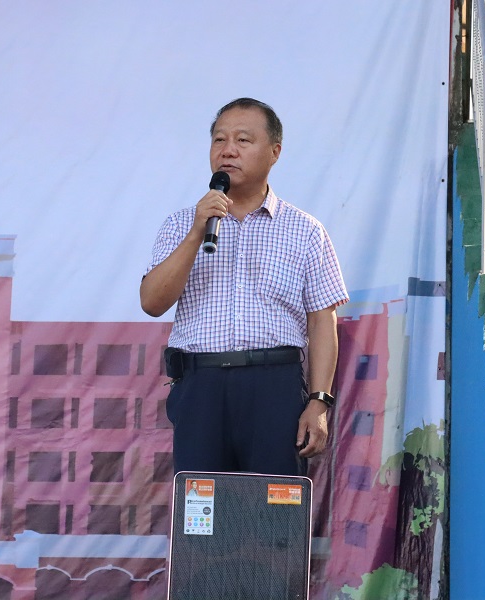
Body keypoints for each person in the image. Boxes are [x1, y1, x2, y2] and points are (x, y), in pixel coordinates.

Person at [141, 98, 349, 477]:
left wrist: (318, 402)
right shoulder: (180, 224)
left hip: (274, 388)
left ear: (274, 152)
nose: (228, 150)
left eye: (243, 140)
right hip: (200, 388)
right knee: (203, 510)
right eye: (219, 140)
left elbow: (323, 321)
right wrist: (196, 232)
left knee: (272, 509)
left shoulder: (306, 231)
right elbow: (152, 302)